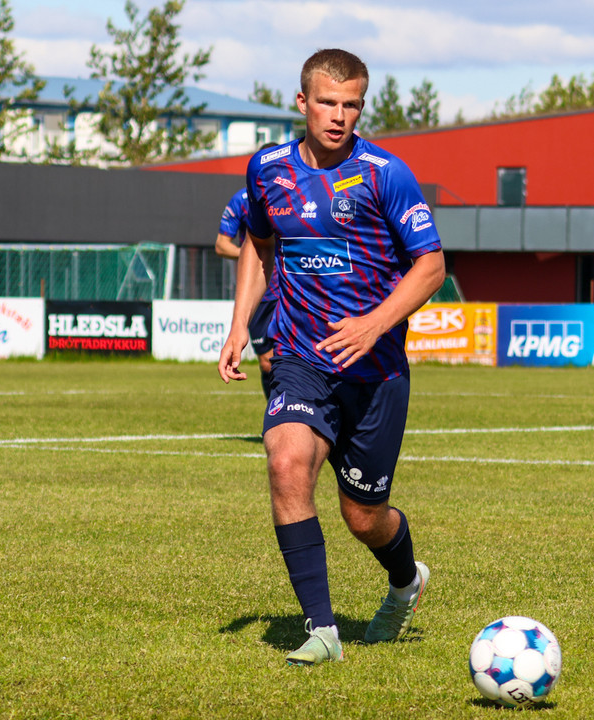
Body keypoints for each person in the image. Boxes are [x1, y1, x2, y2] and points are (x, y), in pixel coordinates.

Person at [217, 48, 445, 666]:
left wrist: (374, 324)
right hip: (300, 356)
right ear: (303, 102)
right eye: (327, 102)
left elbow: (431, 265)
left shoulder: (384, 174)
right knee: (286, 462)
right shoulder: (267, 169)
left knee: (363, 517)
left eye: (351, 105)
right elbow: (258, 243)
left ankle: (406, 581)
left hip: (376, 371)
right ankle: (323, 631)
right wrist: (239, 325)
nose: (339, 116)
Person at [215, 144, 278, 398]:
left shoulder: (296, 197)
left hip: (290, 290)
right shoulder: (243, 200)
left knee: (295, 358)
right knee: (267, 362)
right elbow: (221, 245)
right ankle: (275, 411)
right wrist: (252, 256)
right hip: (260, 295)